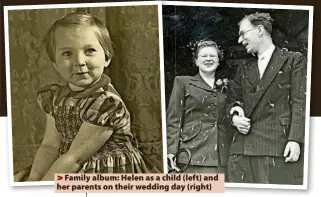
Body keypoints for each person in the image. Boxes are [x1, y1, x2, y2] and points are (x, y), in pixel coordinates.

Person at [14, 12, 159, 182]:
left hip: (107, 172)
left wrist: (43, 187)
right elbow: (50, 145)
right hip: (68, 162)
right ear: (55, 64)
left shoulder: (106, 104)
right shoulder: (55, 97)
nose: (80, 61)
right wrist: (34, 180)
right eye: (67, 53)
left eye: (89, 50)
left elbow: (76, 158)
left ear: (107, 58)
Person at [227, 12, 307, 184]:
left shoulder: (293, 60)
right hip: (241, 150)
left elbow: (300, 102)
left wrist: (295, 139)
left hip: (275, 147)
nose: (240, 40)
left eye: (243, 33)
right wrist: (235, 116)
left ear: (260, 30)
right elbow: (233, 98)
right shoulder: (245, 67)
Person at [166, 40, 233, 174]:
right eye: (203, 56)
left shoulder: (228, 86)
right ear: (196, 61)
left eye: (213, 56)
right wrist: (171, 151)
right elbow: (174, 119)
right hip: (192, 154)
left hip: (222, 156)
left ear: (219, 61)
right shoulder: (182, 82)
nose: (208, 59)